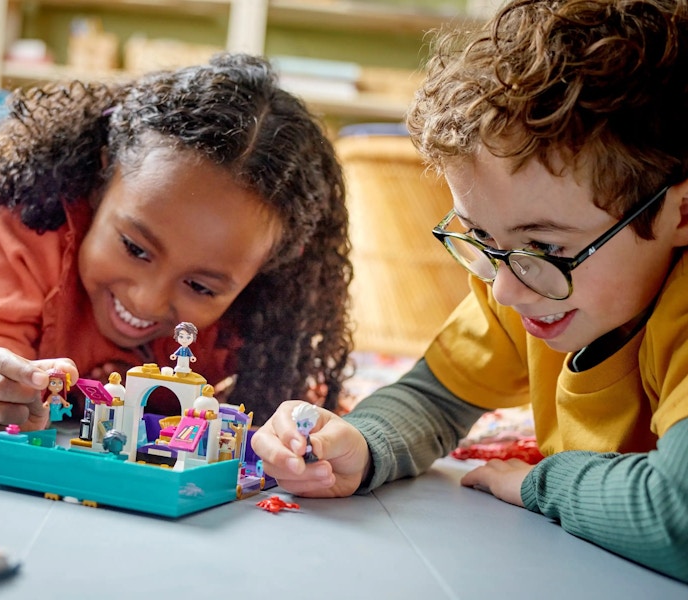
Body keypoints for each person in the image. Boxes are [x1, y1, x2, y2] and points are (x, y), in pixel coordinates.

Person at [252, 0, 688, 582]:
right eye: (481, 236)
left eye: (547, 247)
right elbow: (435, 396)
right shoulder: (524, 277)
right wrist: (359, 444)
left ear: (680, 212)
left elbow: (678, 514)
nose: (504, 289)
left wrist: (539, 481)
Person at [0, 53, 352, 443]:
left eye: (199, 286)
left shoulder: (244, 312)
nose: (146, 299)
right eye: (135, 248)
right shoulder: (24, 223)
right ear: (104, 174)